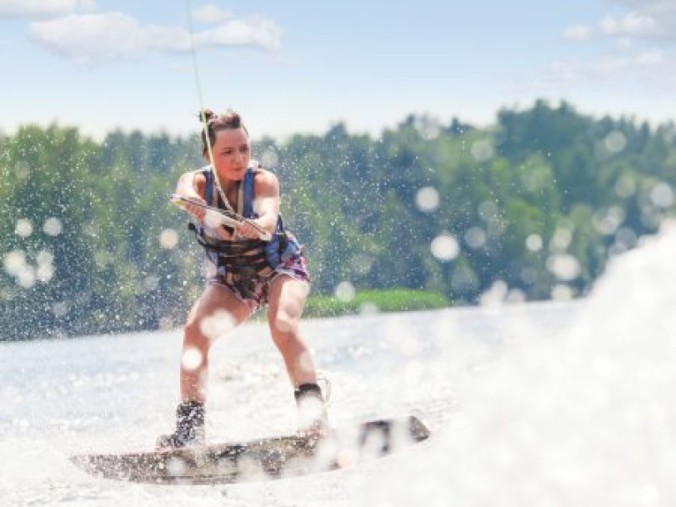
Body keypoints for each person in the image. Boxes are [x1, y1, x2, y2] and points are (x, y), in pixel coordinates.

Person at [157, 109, 328, 449]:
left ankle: (315, 422)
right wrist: (195, 204)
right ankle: (190, 432)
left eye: (244, 149)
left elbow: (267, 220)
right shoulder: (199, 181)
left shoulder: (263, 180)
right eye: (228, 152)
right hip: (234, 279)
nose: (239, 159)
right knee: (195, 331)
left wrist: (251, 225)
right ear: (208, 155)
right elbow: (184, 190)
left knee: (282, 324)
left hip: (281, 267)